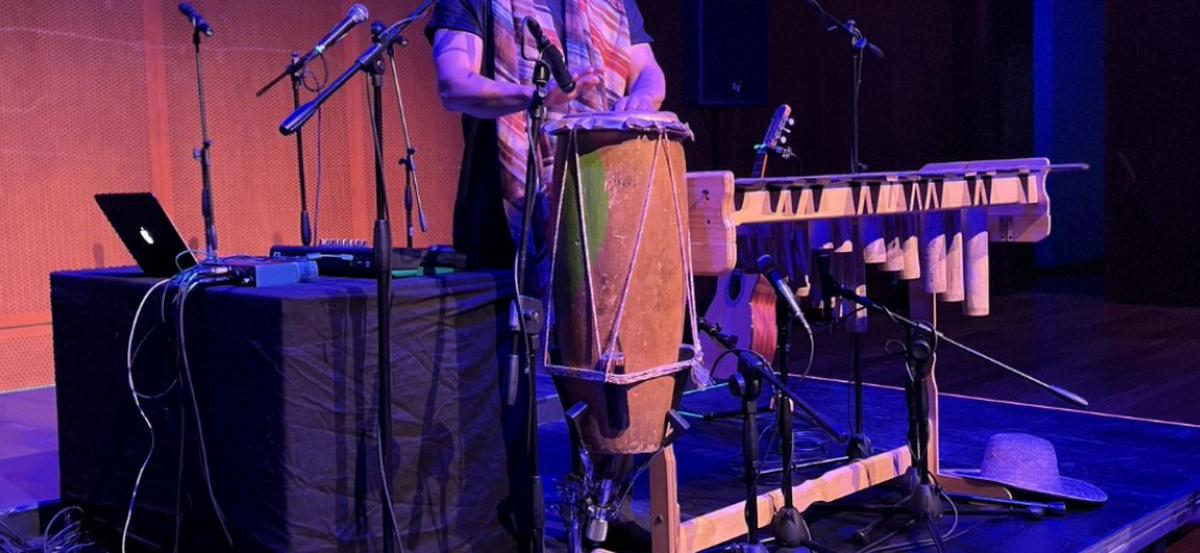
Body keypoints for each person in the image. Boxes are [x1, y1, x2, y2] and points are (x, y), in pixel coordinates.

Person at [426, 0, 666, 272]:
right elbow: (454, 85)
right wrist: (537, 96)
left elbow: (647, 70)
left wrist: (643, 96)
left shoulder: (614, 4)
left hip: (600, 213)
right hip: (500, 227)